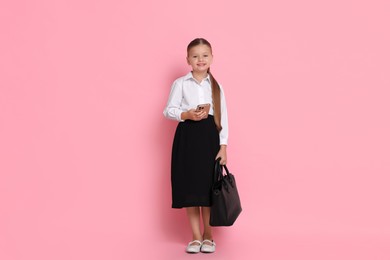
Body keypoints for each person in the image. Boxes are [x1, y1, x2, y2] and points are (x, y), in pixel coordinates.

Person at [163, 38, 228, 253]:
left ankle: (209, 236)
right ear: (188, 60)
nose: (200, 59)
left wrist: (223, 146)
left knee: (208, 189)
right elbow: (168, 110)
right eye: (195, 56)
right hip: (187, 137)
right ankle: (196, 236)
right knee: (191, 189)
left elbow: (223, 118)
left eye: (205, 55)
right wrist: (186, 114)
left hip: (210, 139)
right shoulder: (181, 83)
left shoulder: (217, 86)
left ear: (212, 58)